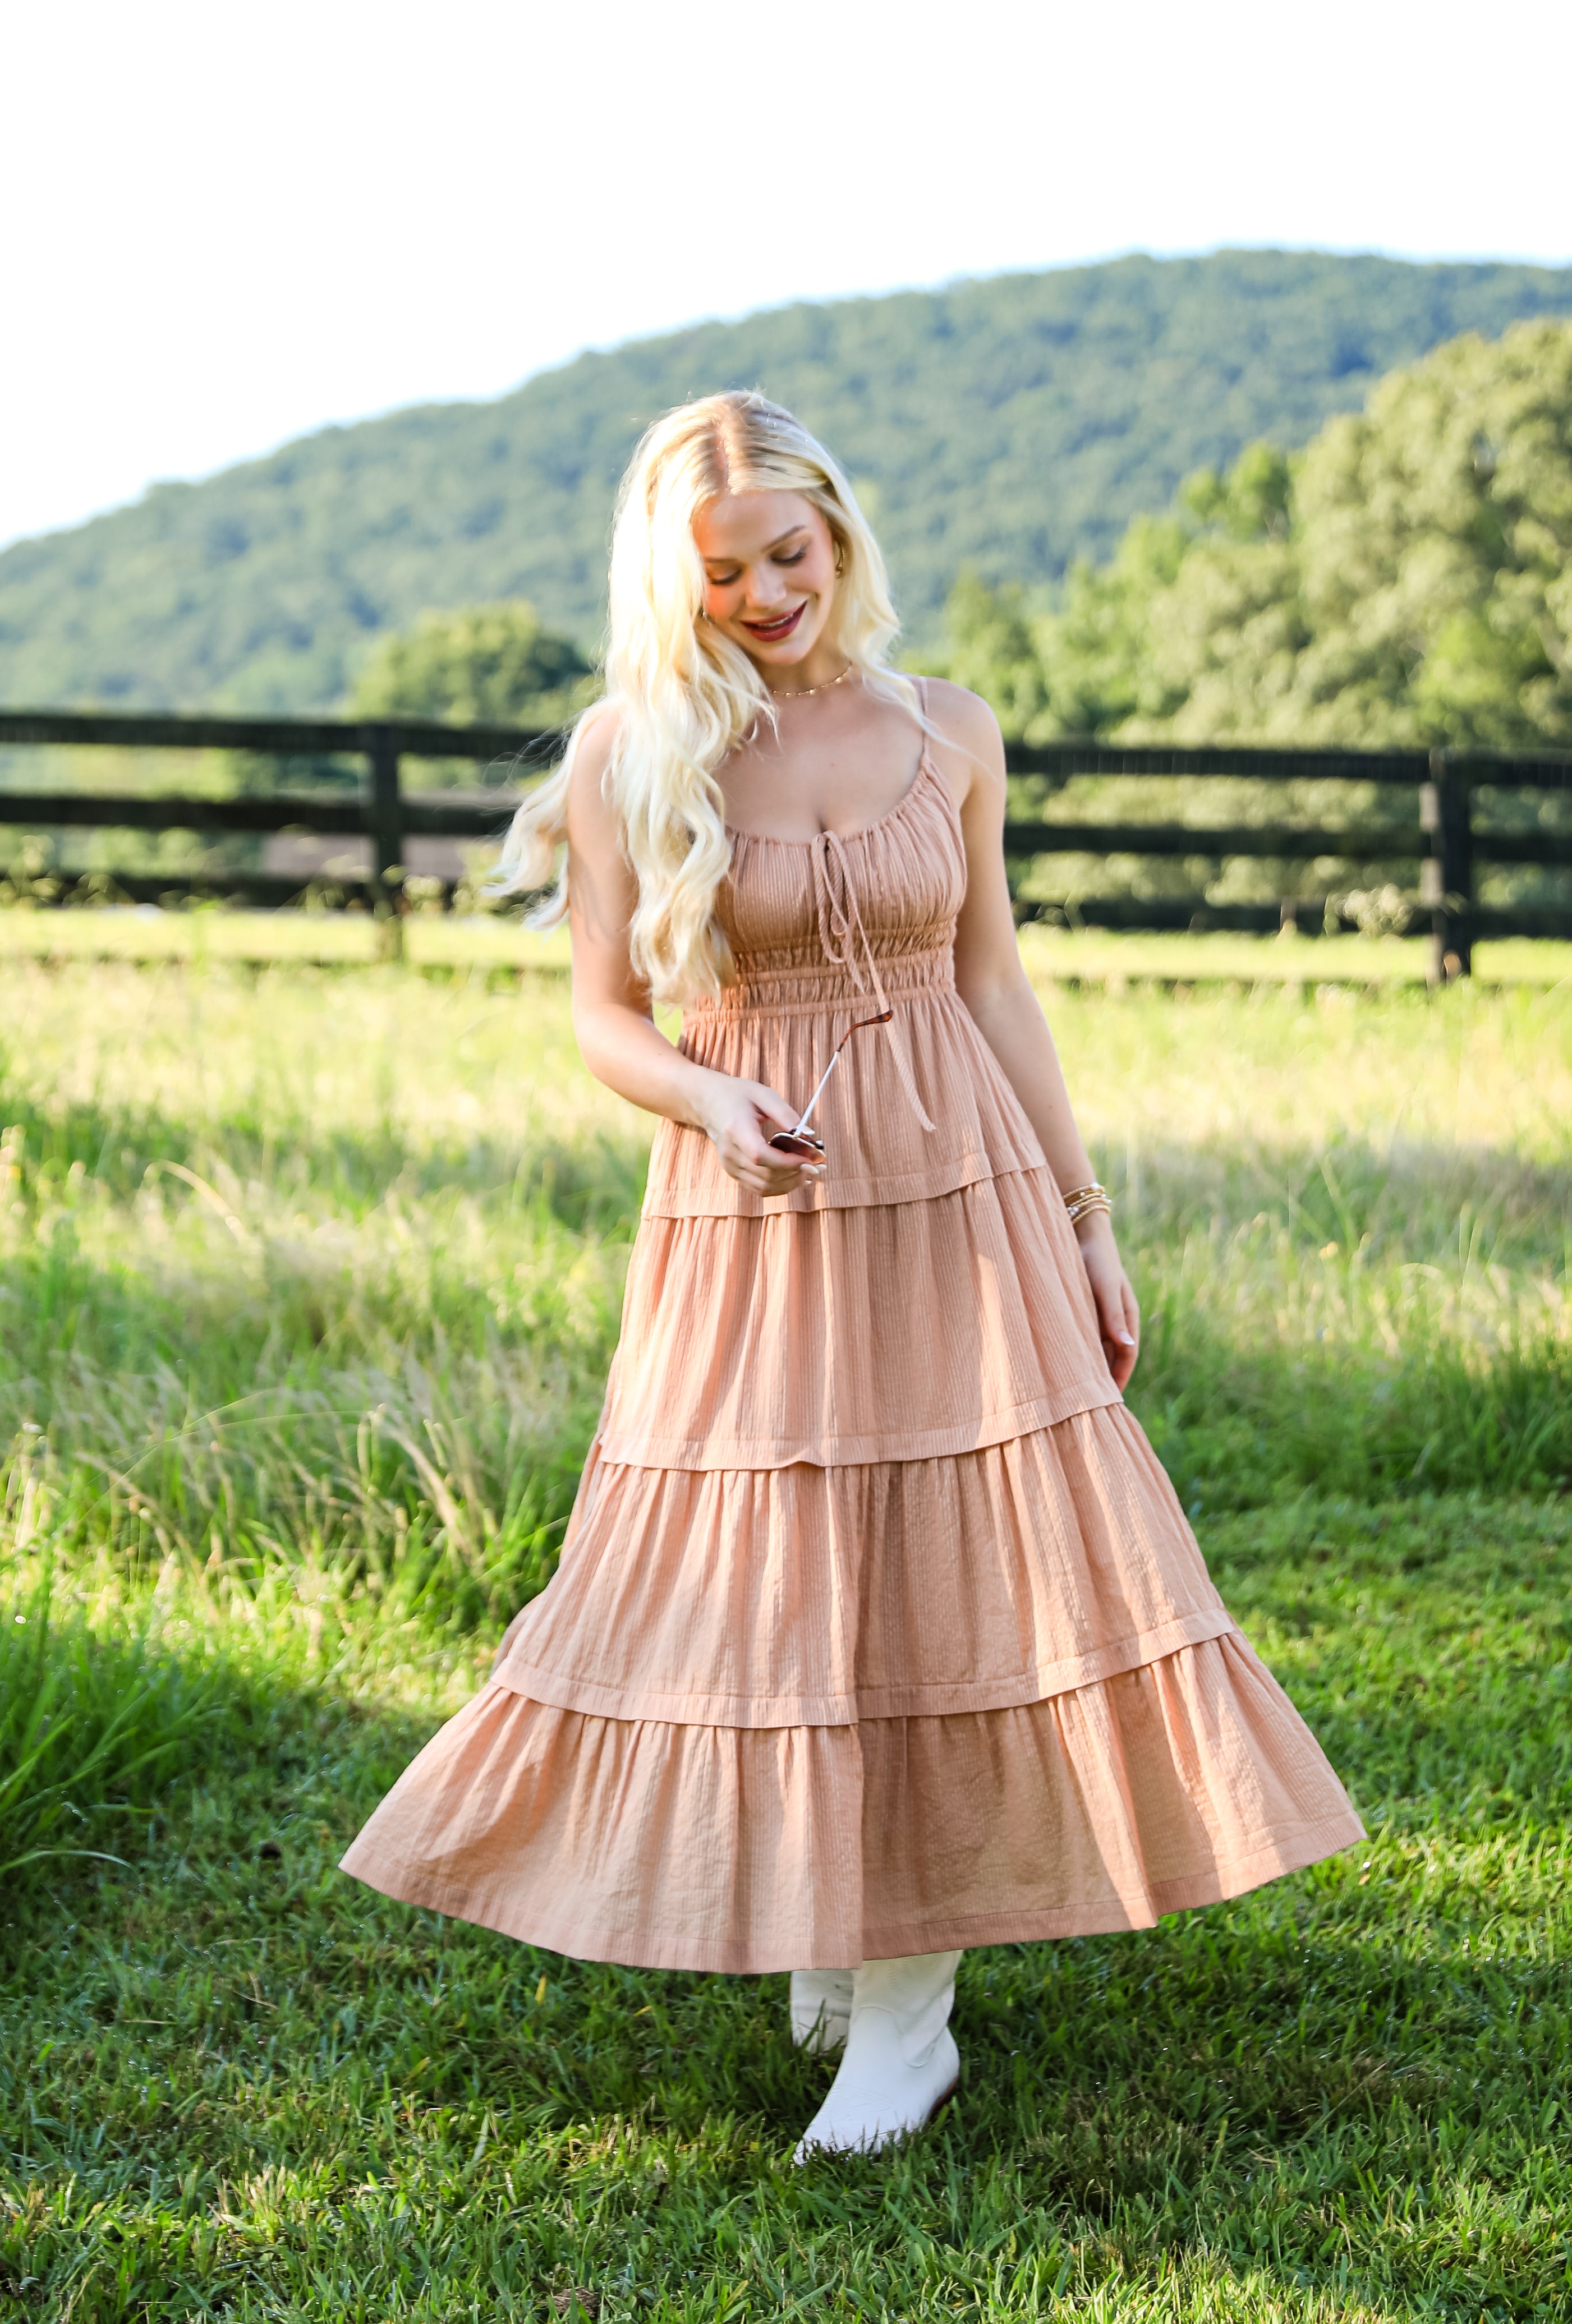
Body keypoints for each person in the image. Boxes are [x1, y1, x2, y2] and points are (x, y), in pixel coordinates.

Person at [341, 392, 1363, 2160]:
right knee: (773, 1572)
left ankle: (907, 2015)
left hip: (954, 1191)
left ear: (841, 533)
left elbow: (992, 990)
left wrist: (1083, 1211)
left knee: (954, 1568)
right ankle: (837, 1921)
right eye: (721, 571)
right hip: (750, 1209)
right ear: (671, 578)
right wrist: (705, 1093)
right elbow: (602, 1019)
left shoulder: (947, 729)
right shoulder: (629, 750)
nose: (763, 593)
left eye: (788, 555)